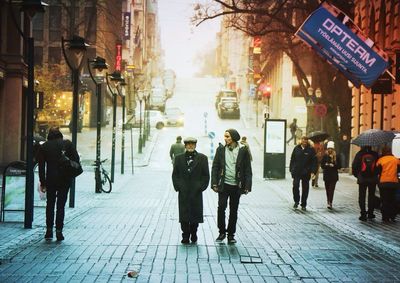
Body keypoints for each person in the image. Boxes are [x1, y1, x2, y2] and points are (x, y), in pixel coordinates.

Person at [37, 126, 80, 241]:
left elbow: (41, 167)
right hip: (65, 179)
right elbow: (76, 160)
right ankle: (59, 231)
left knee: (50, 204)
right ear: (60, 136)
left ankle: (49, 230)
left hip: (50, 179)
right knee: (61, 206)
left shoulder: (44, 147)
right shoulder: (67, 144)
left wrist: (42, 182)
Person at [211, 129, 252, 244]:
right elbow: (215, 167)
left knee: (234, 210)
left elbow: (248, 169)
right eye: (225, 136)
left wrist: (247, 185)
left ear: (233, 138)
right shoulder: (221, 150)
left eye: (228, 137)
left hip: (236, 186)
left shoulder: (243, 151)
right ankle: (222, 232)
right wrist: (214, 183)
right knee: (221, 208)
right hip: (223, 185)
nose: (225, 138)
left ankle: (231, 235)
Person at [172, 137, 210, 244]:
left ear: (195, 145)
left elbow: (206, 175)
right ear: (185, 145)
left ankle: (194, 233)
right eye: (188, 144)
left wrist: (201, 187)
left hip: (196, 192)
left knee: (195, 214)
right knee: (184, 215)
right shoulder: (179, 158)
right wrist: (178, 186)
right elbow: (175, 174)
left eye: (192, 144)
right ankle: (185, 235)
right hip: (183, 192)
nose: (190, 146)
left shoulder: (202, 158)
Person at [289, 136, 317, 210]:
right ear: (301, 140)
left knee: (305, 188)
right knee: (295, 186)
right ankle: (296, 201)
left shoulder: (311, 150)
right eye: (303, 140)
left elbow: (314, 162)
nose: (304, 141)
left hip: (306, 172)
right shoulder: (296, 148)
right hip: (297, 171)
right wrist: (291, 169)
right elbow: (292, 159)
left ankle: (303, 203)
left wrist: (313, 171)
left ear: (307, 141)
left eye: (306, 140)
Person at [352, 146, 379, 221]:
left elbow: (354, 166)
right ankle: (370, 213)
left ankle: (363, 214)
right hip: (372, 178)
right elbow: (378, 167)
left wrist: (357, 175)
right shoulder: (375, 154)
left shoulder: (359, 154)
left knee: (362, 196)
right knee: (371, 196)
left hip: (362, 178)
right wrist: (375, 174)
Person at [375, 146, 400, 222]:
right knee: (392, 200)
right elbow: (398, 171)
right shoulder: (396, 160)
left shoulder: (380, 160)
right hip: (394, 183)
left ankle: (385, 217)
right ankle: (392, 215)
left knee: (384, 200)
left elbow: (377, 172)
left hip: (383, 183)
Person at [320, 141, 341, 209]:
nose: (330, 150)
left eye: (331, 148)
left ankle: (330, 202)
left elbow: (339, 166)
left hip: (333, 176)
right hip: (326, 175)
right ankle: (328, 201)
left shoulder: (336, 156)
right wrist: (327, 165)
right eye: (329, 148)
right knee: (327, 189)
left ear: (333, 149)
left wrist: (334, 165)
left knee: (331, 189)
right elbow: (322, 165)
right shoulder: (325, 155)